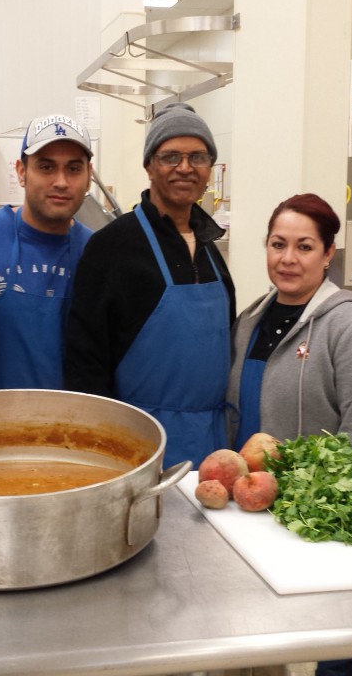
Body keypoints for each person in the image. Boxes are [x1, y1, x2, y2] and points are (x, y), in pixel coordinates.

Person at [64, 102, 235, 468]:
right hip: (138, 446)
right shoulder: (111, 248)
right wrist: (106, 452)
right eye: (170, 156)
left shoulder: (211, 251)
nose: (185, 168)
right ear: (149, 166)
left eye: (198, 157)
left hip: (213, 447)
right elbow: (85, 366)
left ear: (209, 170)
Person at [226, 193, 352, 456]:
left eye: (304, 247)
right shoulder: (248, 321)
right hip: (245, 490)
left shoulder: (351, 328)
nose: (288, 259)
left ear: (327, 254)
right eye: (278, 245)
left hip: (310, 495)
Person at [0, 114, 93, 391]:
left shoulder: (97, 255)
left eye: (73, 169)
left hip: (70, 428)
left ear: (88, 176)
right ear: (21, 172)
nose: (61, 181)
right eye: (46, 167)